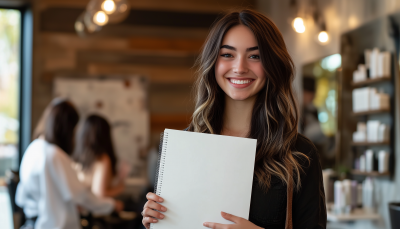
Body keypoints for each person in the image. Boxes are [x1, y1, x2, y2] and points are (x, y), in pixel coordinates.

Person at [141, 9, 326, 229]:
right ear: (213, 63)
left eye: (255, 56)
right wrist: (156, 219)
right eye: (227, 54)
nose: (239, 68)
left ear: (272, 64)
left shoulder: (299, 154)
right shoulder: (185, 146)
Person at [16, 98, 123, 229]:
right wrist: (111, 205)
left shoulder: (34, 148)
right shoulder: (54, 155)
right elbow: (82, 196)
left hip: (32, 222)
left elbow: (22, 196)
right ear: (67, 128)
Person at [72, 114, 126, 198]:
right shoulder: (102, 158)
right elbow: (99, 194)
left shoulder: (78, 157)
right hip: (96, 209)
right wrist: (121, 186)